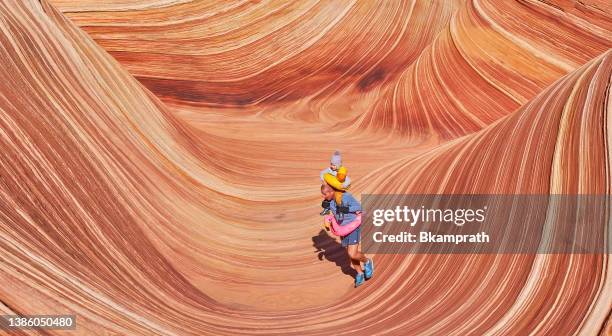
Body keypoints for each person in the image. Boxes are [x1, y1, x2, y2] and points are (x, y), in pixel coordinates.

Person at [320, 184, 374, 287]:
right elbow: (330, 213)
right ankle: (359, 273)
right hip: (343, 230)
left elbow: (359, 207)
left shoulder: (345, 196)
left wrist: (345, 209)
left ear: (331, 192)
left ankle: (367, 262)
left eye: (324, 194)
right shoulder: (329, 201)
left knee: (352, 253)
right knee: (350, 255)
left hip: (353, 226)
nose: (323, 196)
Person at [319, 150, 351, 217]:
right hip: (331, 188)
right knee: (327, 198)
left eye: (334, 165)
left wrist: (344, 185)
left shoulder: (341, 172)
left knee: (339, 199)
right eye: (331, 164)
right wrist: (323, 180)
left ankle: (341, 213)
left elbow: (348, 180)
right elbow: (322, 173)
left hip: (338, 189)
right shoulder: (329, 169)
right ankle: (326, 209)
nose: (332, 166)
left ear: (338, 165)